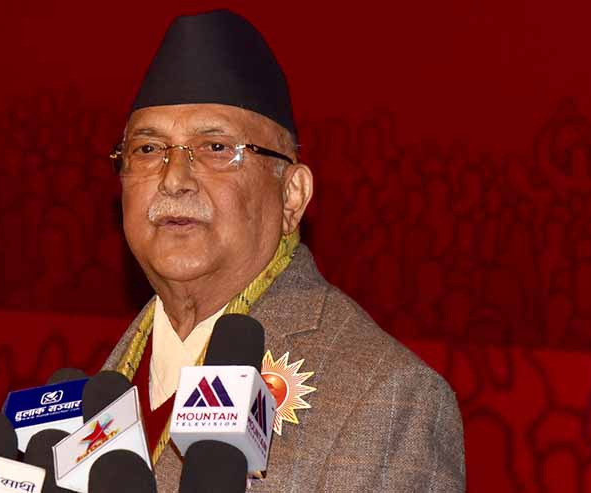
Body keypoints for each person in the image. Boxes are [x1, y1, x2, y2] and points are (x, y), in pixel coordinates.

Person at [101, 9, 465, 492]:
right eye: (148, 150)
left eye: (215, 148)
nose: (173, 179)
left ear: (292, 195)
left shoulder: (385, 397)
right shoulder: (100, 385)